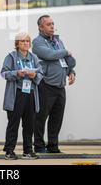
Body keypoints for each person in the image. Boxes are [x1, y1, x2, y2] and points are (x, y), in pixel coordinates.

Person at [32, 15, 76, 154]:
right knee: (41, 117)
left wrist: (71, 71)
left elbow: (66, 59)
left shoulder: (58, 41)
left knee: (57, 117)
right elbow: (50, 55)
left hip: (60, 86)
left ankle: (53, 146)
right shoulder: (37, 42)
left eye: (52, 23)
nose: (52, 26)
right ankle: (39, 146)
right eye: (48, 24)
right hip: (46, 84)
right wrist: (65, 52)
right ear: (40, 27)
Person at [0, 32, 42, 160]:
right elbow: (3, 73)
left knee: (29, 124)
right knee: (13, 123)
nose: (25, 43)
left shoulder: (34, 57)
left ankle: (28, 150)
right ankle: (9, 151)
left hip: (30, 93)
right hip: (16, 94)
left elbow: (40, 74)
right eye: (22, 41)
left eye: (27, 41)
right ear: (17, 44)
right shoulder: (11, 57)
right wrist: (17, 73)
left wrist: (35, 75)